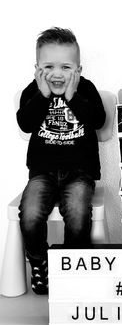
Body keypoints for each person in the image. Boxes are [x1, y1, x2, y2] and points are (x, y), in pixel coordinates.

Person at [17, 27, 106, 294]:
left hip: (79, 172)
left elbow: (98, 120)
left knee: (78, 214)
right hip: (42, 172)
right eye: (49, 66)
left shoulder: (86, 90)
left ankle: (72, 267)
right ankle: (39, 261)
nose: (57, 74)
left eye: (66, 67)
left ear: (79, 69)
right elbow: (25, 123)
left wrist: (72, 97)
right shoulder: (32, 92)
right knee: (30, 214)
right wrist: (43, 95)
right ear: (37, 68)